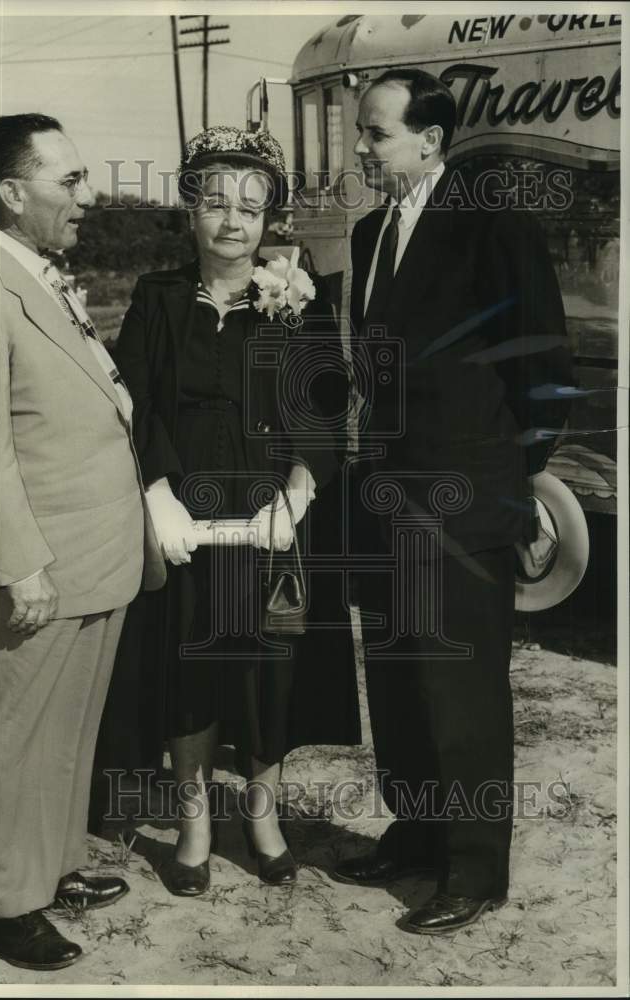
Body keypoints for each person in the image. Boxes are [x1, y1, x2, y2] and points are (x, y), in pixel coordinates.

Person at [0, 113, 165, 970]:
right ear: (13, 192)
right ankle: (1, 899)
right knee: (12, 729)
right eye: (69, 182)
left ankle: (54, 865)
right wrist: (16, 566)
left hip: (93, 554)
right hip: (38, 565)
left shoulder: (34, 272)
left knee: (69, 728)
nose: (84, 197)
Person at [333, 70, 573, 934]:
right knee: (397, 674)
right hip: (386, 494)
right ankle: (418, 829)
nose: (361, 148)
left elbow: (543, 368)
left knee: (460, 685)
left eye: (375, 133)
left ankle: (475, 867)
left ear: (430, 140)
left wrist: (514, 487)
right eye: (362, 132)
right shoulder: (367, 234)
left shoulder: (491, 227)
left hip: (466, 500)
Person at [112, 126, 361, 896]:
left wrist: (299, 485)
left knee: (270, 671)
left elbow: (325, 404)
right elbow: (133, 403)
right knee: (189, 670)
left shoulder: (296, 296)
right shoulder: (157, 300)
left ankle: (262, 818)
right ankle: (192, 824)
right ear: (190, 211)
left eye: (250, 209)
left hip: (272, 521)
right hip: (187, 521)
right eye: (215, 203)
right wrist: (156, 492)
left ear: (269, 219)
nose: (232, 222)